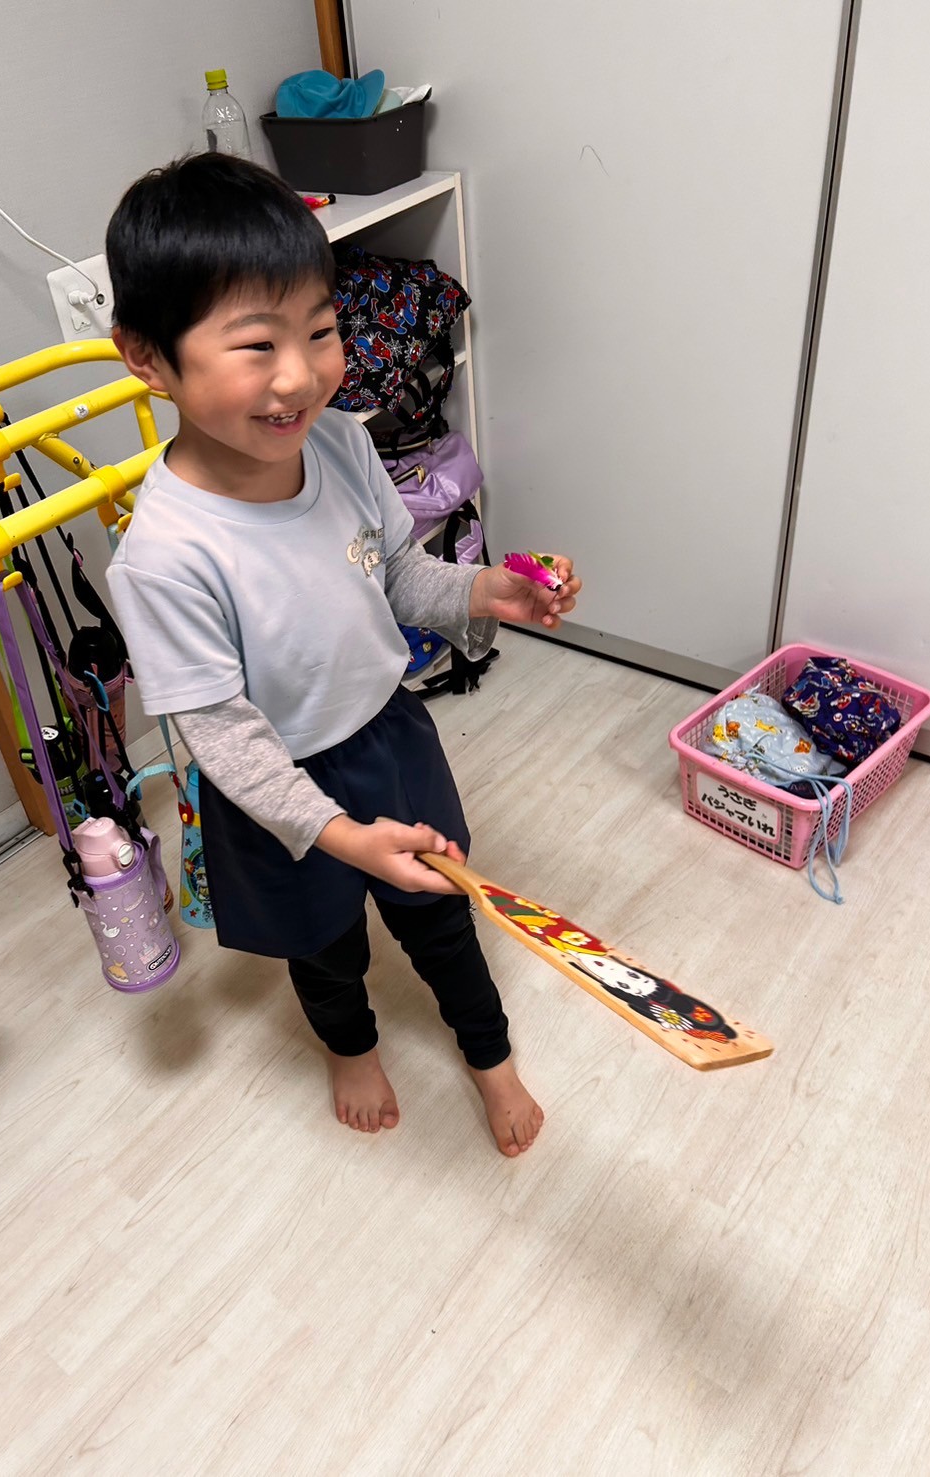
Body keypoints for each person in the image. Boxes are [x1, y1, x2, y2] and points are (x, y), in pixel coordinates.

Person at [105, 154, 581, 1156]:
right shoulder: (164, 556)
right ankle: (350, 1047)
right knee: (322, 947)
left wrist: (484, 592)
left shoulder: (340, 445)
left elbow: (399, 575)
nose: (299, 376)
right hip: (276, 789)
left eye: (318, 331)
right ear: (148, 357)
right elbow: (223, 737)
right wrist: (334, 833)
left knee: (442, 914)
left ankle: (490, 1055)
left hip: (388, 739)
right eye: (256, 345)